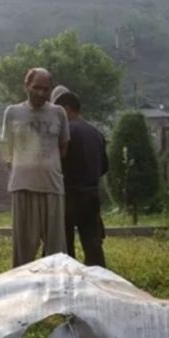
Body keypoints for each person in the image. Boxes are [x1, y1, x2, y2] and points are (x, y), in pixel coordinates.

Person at [1, 68, 69, 267]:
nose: (40, 93)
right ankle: (22, 291)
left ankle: (56, 291)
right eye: (36, 87)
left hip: (52, 187)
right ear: (26, 86)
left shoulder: (59, 112)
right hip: (22, 187)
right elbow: (9, 148)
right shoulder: (12, 112)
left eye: (45, 89)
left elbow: (64, 148)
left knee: (56, 252)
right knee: (23, 251)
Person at [51, 87, 109, 267]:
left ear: (66, 109)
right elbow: (104, 166)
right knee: (93, 245)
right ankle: (98, 281)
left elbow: (58, 163)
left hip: (69, 195)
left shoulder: (65, 134)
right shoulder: (96, 133)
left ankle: (68, 282)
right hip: (91, 194)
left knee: (65, 247)